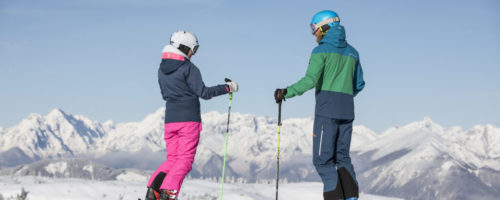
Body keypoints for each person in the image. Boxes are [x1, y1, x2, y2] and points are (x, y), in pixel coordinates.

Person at [274, 10, 365, 200]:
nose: (313, 33)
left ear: (325, 27)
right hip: (347, 112)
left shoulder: (320, 51)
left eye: (314, 28)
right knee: (342, 159)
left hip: (327, 113)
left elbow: (310, 80)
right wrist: (344, 97)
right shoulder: (353, 52)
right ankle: (351, 198)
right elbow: (358, 85)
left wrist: (286, 92)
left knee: (323, 161)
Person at [145, 30, 238, 200]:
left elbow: (165, 94)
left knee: (172, 159)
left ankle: (153, 192)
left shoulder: (161, 69)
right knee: (185, 160)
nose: (193, 54)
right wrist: (227, 88)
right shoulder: (188, 67)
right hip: (188, 120)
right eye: (193, 50)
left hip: (170, 121)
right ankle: (168, 194)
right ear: (184, 48)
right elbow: (204, 92)